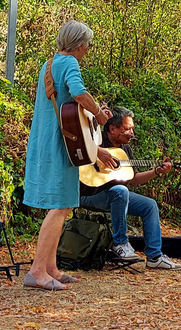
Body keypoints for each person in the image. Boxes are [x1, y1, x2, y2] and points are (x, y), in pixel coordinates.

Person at [23, 20, 114, 290]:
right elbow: (79, 94)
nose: (87, 50)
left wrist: (91, 117)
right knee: (60, 206)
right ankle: (37, 271)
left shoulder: (49, 64)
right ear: (81, 44)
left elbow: (68, 107)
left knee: (61, 204)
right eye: (88, 45)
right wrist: (99, 115)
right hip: (62, 144)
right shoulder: (71, 64)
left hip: (46, 140)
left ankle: (51, 267)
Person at [79, 107, 181, 270]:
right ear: (112, 129)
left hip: (118, 197)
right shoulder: (96, 139)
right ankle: (120, 243)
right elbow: (78, 144)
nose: (131, 133)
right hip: (88, 193)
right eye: (127, 129)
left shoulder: (125, 149)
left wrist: (156, 171)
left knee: (149, 205)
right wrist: (98, 152)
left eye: (132, 128)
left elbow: (133, 180)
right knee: (120, 191)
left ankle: (155, 256)